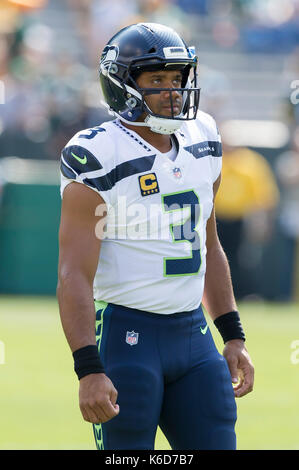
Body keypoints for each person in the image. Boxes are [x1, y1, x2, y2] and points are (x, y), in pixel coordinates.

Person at [57, 22, 254, 450]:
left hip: (194, 337)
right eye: (157, 79)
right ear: (123, 85)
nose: (172, 91)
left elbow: (209, 243)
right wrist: (88, 367)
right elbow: (73, 273)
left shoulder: (204, 135)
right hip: (129, 338)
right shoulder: (98, 152)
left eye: (177, 79)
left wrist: (232, 333)